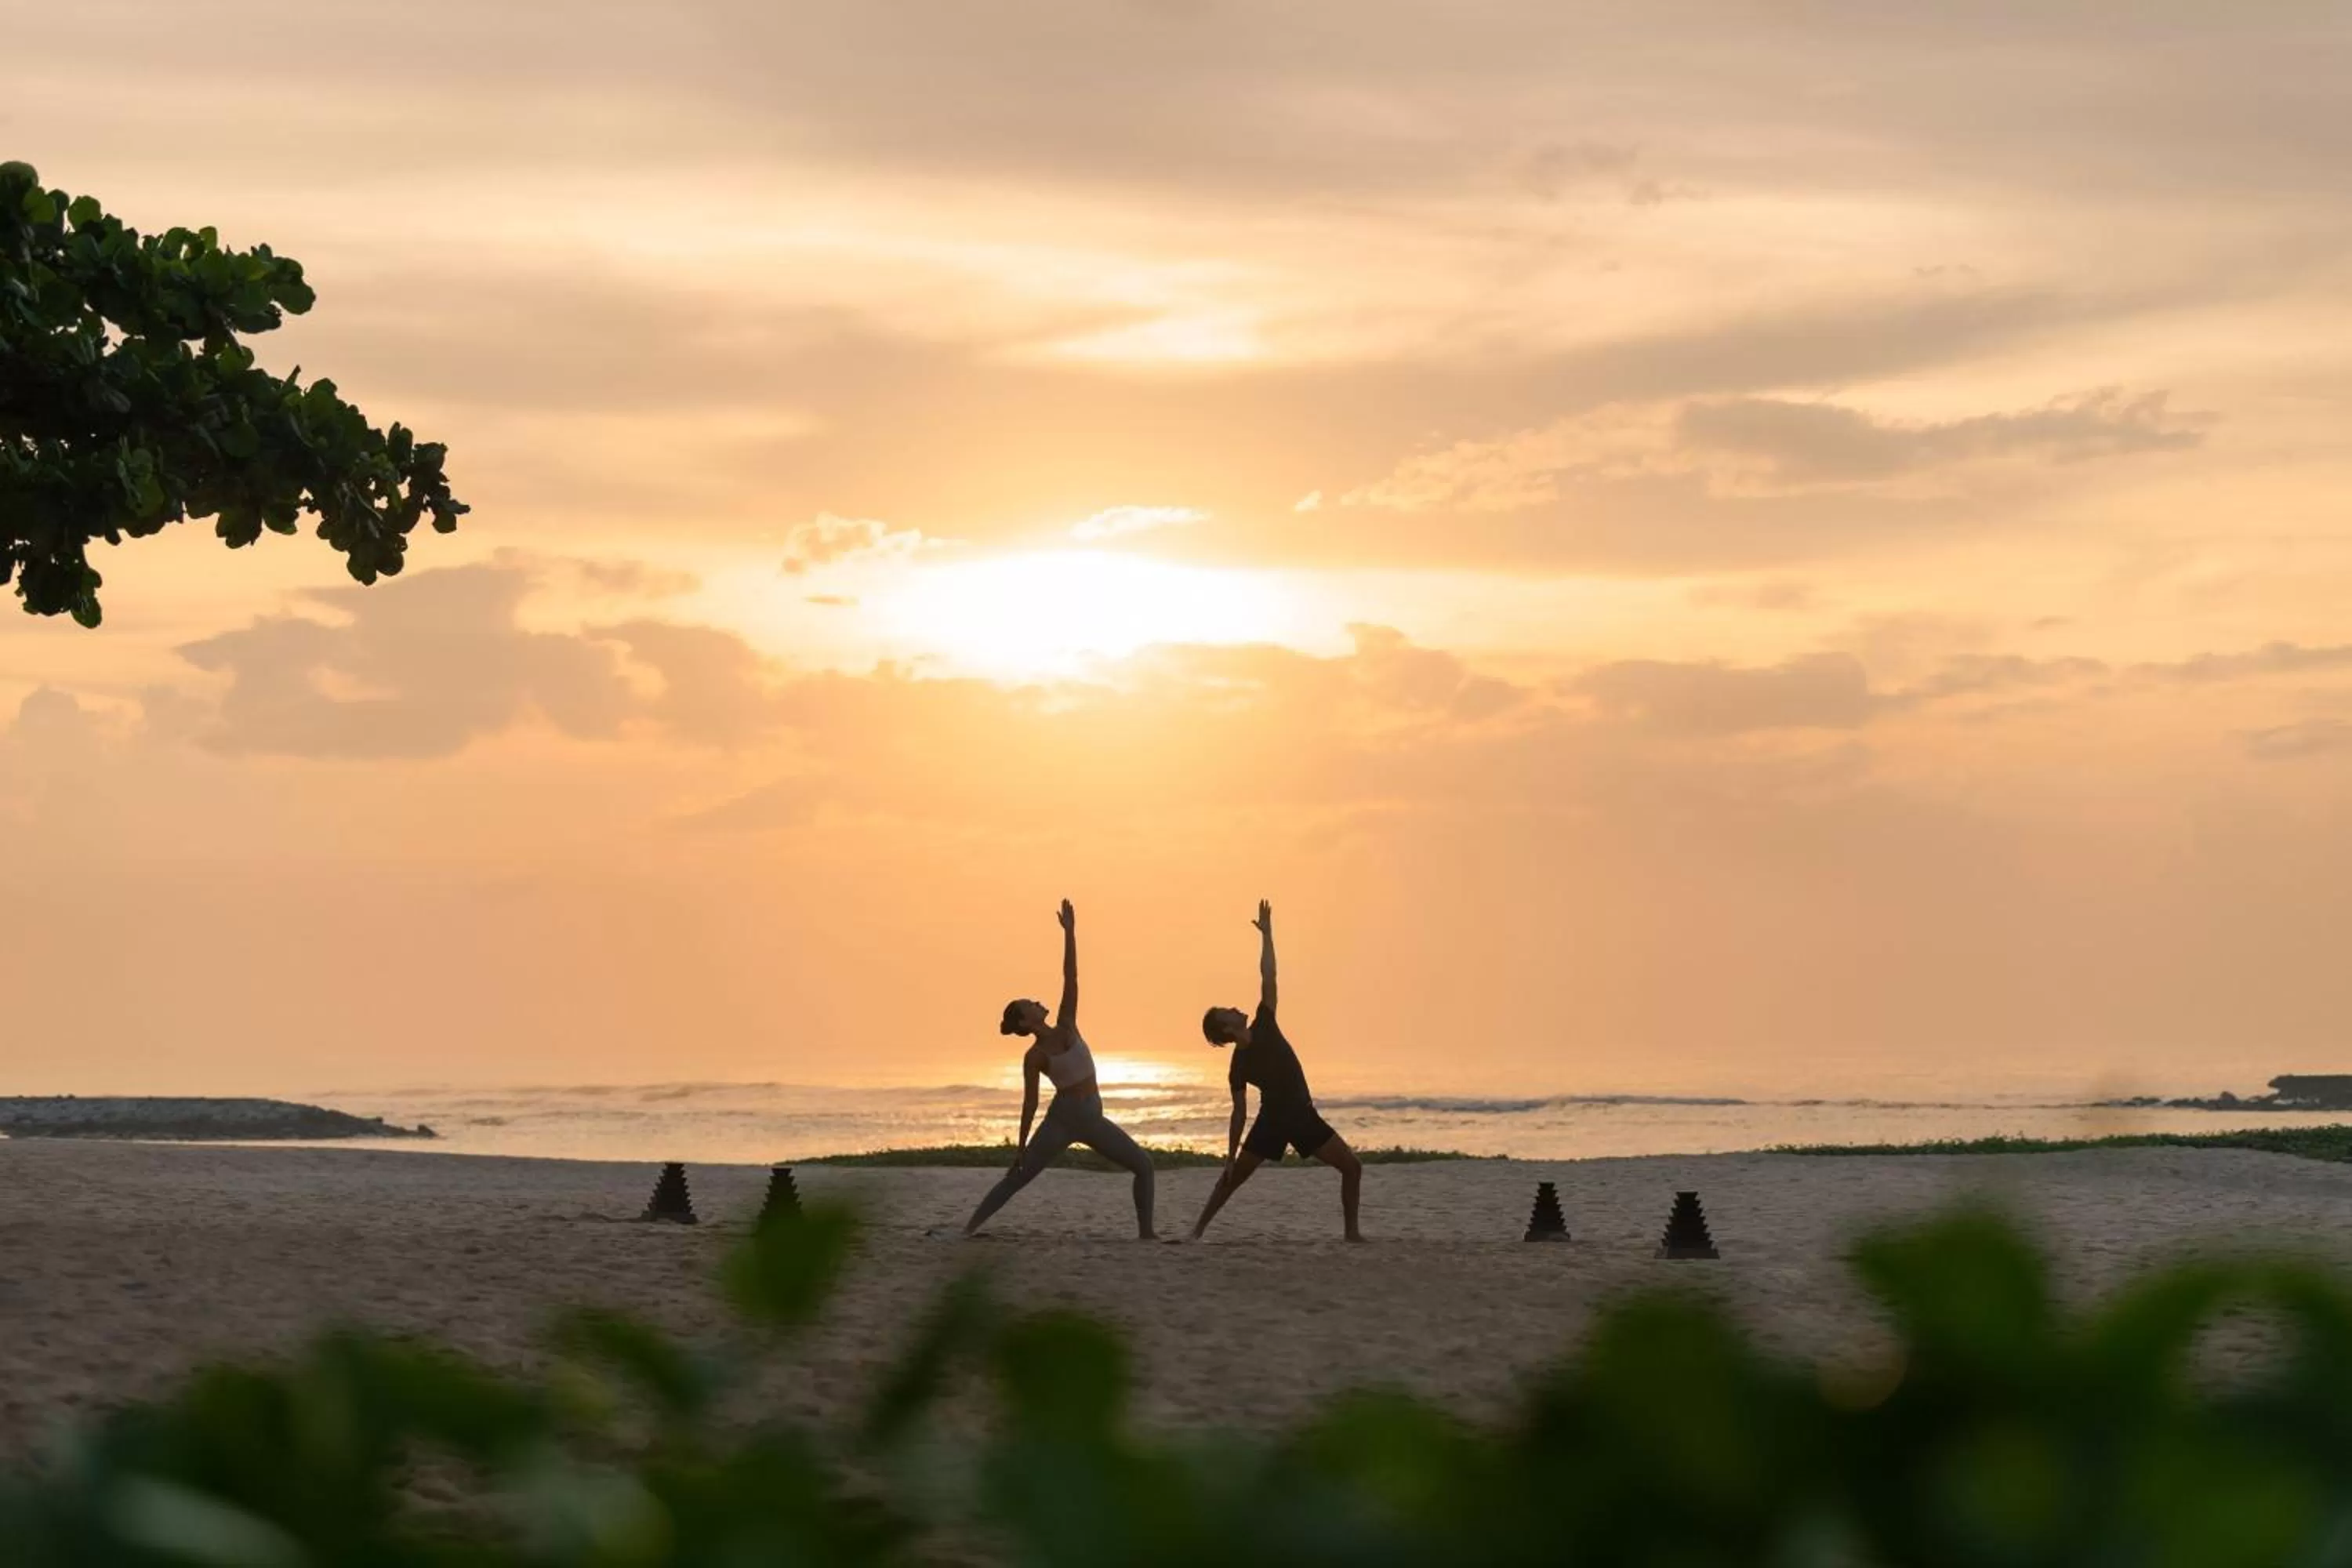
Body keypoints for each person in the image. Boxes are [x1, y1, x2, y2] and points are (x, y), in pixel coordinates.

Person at [962, 899, 1158, 1239]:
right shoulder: (1035, 1056)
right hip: (1062, 1120)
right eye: (1030, 1004)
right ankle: (967, 1230)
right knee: (1018, 1178)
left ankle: (1147, 1234)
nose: (1037, 1001)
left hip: (1092, 1117)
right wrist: (1021, 1147)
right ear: (1026, 1020)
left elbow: (1071, 977)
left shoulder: (1068, 1024)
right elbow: (1030, 1103)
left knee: (1144, 1166)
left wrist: (1070, 932)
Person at [1189, 900, 1364, 1241]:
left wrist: (1268, 936)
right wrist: (1228, 1156)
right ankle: (1197, 1230)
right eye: (1228, 1011)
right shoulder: (1238, 1065)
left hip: (1302, 1116)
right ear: (1227, 1030)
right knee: (1234, 1177)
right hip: (1273, 1121)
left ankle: (1352, 1234)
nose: (1235, 1008)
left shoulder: (1265, 1021)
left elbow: (1269, 975)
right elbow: (1238, 1113)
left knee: (1352, 1168)